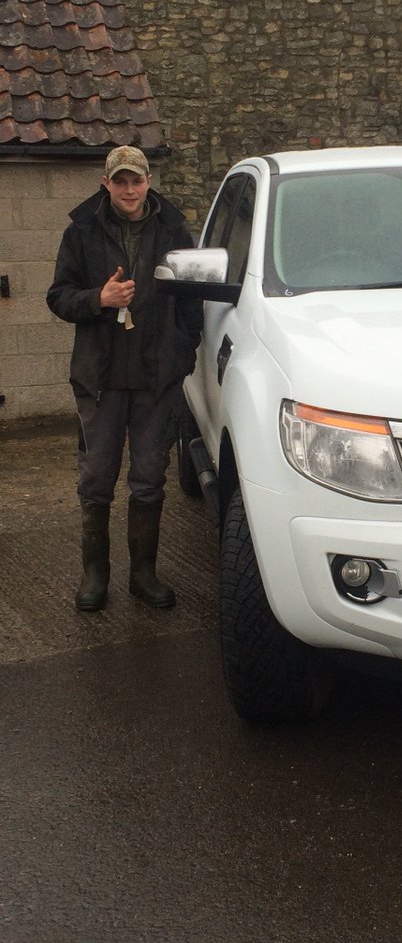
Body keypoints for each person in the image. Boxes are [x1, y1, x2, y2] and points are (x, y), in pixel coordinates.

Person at [47, 144, 202, 612]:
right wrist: (100, 298)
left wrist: (183, 350)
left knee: (150, 478)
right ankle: (95, 574)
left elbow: (192, 297)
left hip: (156, 377)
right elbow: (58, 297)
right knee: (96, 479)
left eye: (137, 180)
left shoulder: (174, 228)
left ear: (149, 180)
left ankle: (144, 575)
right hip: (101, 377)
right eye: (121, 181)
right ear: (106, 183)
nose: (130, 189)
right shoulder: (82, 231)